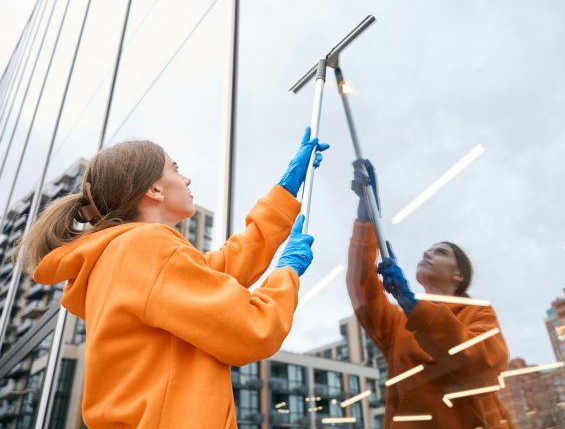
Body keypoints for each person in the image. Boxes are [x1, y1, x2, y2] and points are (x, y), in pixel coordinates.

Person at [13, 128, 329, 429]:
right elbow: (253, 328)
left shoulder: (119, 255)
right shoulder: (146, 247)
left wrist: (284, 193)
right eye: (176, 169)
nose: (186, 178)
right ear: (154, 190)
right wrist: (287, 271)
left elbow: (215, 273)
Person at [347, 159, 511, 428]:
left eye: (440, 252)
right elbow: (362, 288)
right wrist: (367, 217)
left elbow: (482, 364)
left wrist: (412, 304)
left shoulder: (478, 313)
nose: (427, 253)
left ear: (459, 275)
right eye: (428, 250)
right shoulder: (398, 324)